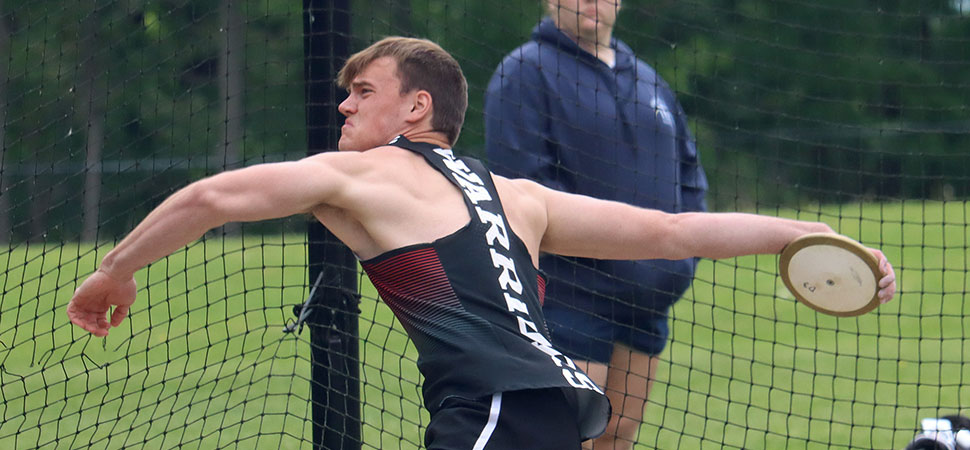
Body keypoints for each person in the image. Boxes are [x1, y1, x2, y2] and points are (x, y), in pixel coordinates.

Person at [67, 37, 897, 450]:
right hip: (560, 405)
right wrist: (806, 232)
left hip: (500, 407)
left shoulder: (359, 177)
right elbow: (674, 231)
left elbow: (213, 197)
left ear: (417, 109)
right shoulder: (516, 195)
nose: (346, 108)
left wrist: (114, 270)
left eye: (363, 92)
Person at [484, 1, 707, 447]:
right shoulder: (524, 72)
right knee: (571, 436)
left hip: (647, 302)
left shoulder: (647, 78)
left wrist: (678, 264)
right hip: (570, 297)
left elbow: (690, 178)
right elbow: (523, 190)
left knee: (618, 432)